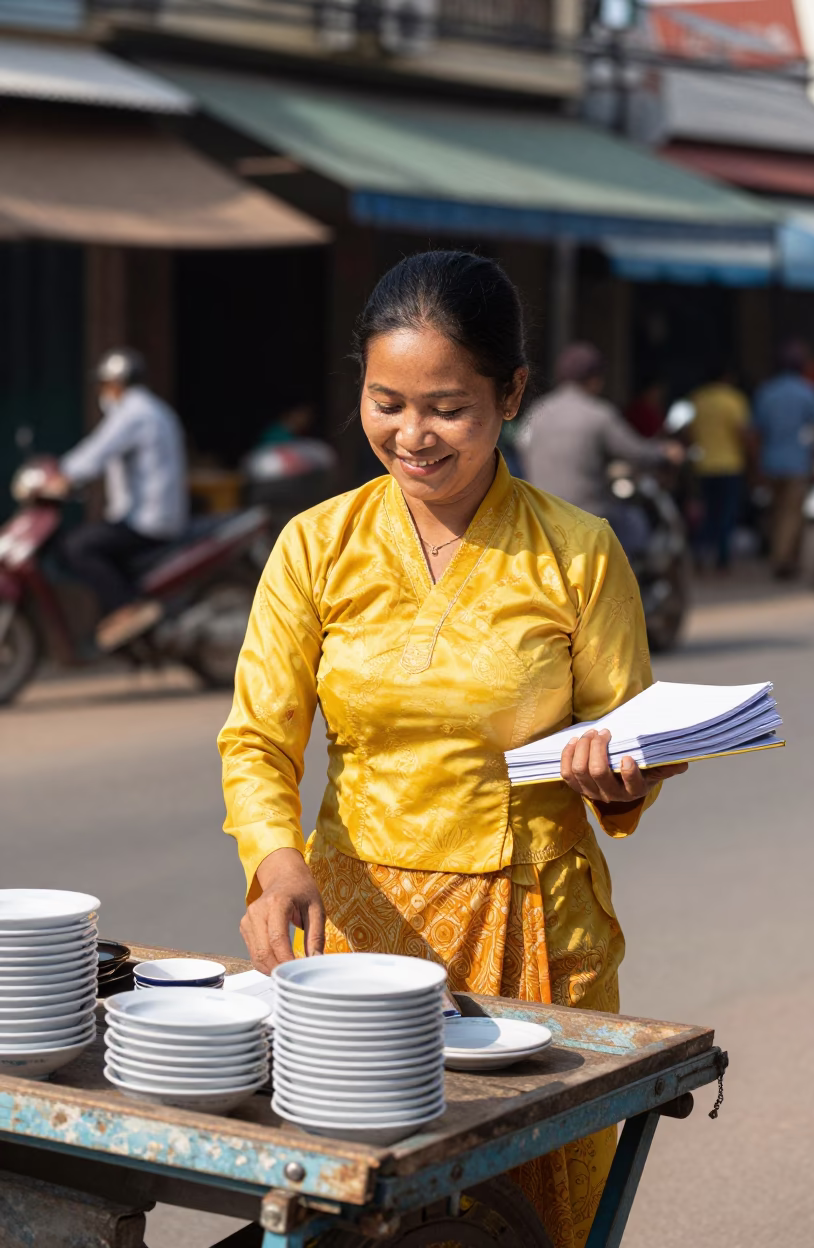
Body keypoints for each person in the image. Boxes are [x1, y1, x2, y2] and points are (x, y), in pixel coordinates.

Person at [218, 252, 687, 1245]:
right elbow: (258, 736)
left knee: (525, 1213)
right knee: (349, 1211)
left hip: (529, 935)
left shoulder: (577, 551)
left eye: (447, 408)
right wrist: (275, 860)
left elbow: (635, 734)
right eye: (386, 402)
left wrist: (618, 773)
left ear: (510, 394)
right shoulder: (316, 545)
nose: (411, 435)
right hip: (352, 936)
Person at [53, 349, 188, 651]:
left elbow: (97, 452)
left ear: (117, 382)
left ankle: (128, 607)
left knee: (78, 546)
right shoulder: (153, 410)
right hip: (146, 517)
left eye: (104, 384)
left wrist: (60, 475)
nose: (102, 392)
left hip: (150, 521)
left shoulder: (135, 412)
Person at [515, 343, 683, 533]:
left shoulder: (537, 412)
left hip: (539, 515)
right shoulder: (599, 415)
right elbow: (635, 451)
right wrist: (665, 452)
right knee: (636, 527)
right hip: (588, 515)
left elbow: (521, 446)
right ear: (594, 379)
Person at [753, 341, 814, 579]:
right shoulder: (809, 392)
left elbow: (757, 430)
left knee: (776, 512)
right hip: (797, 463)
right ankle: (782, 559)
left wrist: (756, 464)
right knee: (791, 515)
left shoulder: (766, 392)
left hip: (771, 461)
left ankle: (783, 556)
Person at [689, 365, 752, 571]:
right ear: (727, 377)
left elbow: (686, 431)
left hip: (703, 465)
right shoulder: (733, 399)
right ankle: (722, 559)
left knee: (707, 512)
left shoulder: (697, 399)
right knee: (726, 513)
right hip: (729, 465)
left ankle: (700, 551)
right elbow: (742, 432)